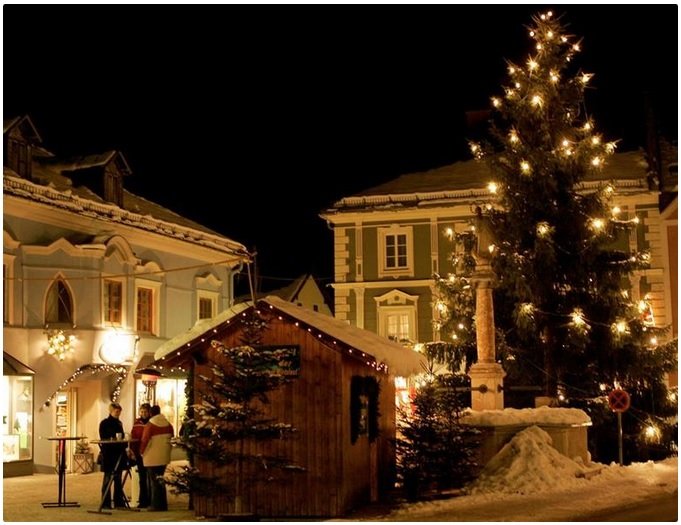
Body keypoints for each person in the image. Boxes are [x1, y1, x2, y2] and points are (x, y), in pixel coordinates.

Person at [140, 405, 174, 511]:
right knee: (160, 480)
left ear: (150, 413)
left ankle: (155, 505)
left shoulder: (150, 425)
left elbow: (145, 440)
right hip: (164, 456)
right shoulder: (168, 424)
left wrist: (141, 452)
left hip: (151, 456)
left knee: (153, 481)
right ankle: (163, 504)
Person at [98, 401, 127, 509]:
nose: (118, 413)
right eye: (116, 411)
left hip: (118, 454)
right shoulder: (104, 423)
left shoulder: (119, 423)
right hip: (109, 454)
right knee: (107, 478)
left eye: (119, 411)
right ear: (111, 411)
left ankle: (118, 501)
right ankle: (105, 502)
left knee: (118, 479)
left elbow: (122, 435)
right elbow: (103, 437)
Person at [129, 403, 151, 508]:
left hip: (150, 453)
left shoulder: (151, 423)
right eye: (141, 412)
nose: (143, 414)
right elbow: (133, 437)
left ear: (149, 412)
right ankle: (143, 500)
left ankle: (151, 499)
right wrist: (132, 451)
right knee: (142, 477)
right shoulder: (137, 423)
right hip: (139, 453)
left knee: (150, 477)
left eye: (145, 412)